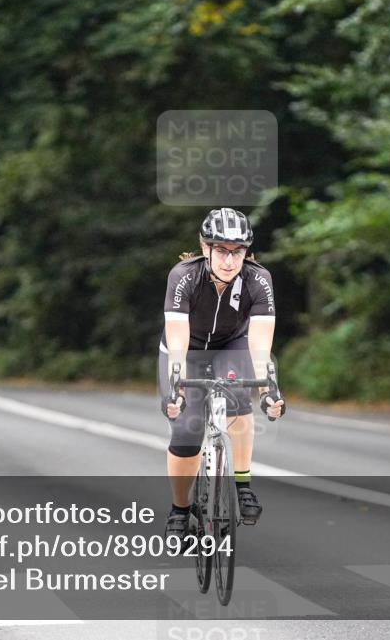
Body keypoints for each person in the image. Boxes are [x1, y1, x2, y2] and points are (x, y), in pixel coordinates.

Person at [159, 207, 285, 540]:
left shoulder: (259, 279)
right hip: (186, 350)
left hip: (232, 345)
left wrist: (269, 390)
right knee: (187, 430)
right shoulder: (184, 275)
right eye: (221, 251)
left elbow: (259, 344)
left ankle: (242, 485)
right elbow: (177, 337)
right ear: (205, 248)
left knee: (240, 399)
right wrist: (177, 387)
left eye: (237, 252)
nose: (229, 260)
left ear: (246, 251)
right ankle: (179, 510)